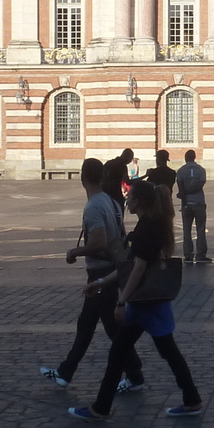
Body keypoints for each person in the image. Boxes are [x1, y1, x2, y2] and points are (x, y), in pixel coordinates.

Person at [69, 179, 204, 421]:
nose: (126, 199)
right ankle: (191, 399)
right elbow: (128, 266)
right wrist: (101, 283)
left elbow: (138, 269)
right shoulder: (150, 223)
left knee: (123, 354)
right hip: (151, 303)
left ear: (138, 202)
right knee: (163, 352)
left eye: (129, 197)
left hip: (144, 304)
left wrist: (122, 301)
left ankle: (101, 408)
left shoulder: (147, 228)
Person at [42, 157, 145, 391]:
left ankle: (135, 374)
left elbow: (99, 242)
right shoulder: (111, 201)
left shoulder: (93, 207)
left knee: (112, 328)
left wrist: (75, 251)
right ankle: (65, 372)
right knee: (86, 325)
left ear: (82, 177)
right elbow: (120, 235)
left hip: (100, 272)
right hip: (110, 269)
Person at [176, 149, 210, 263]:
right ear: (194, 157)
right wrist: (192, 190)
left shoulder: (180, 171)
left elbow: (180, 187)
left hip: (186, 203)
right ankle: (200, 254)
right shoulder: (201, 170)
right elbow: (201, 185)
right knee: (200, 229)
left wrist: (184, 194)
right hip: (199, 202)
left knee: (187, 230)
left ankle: (188, 255)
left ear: (185, 158)